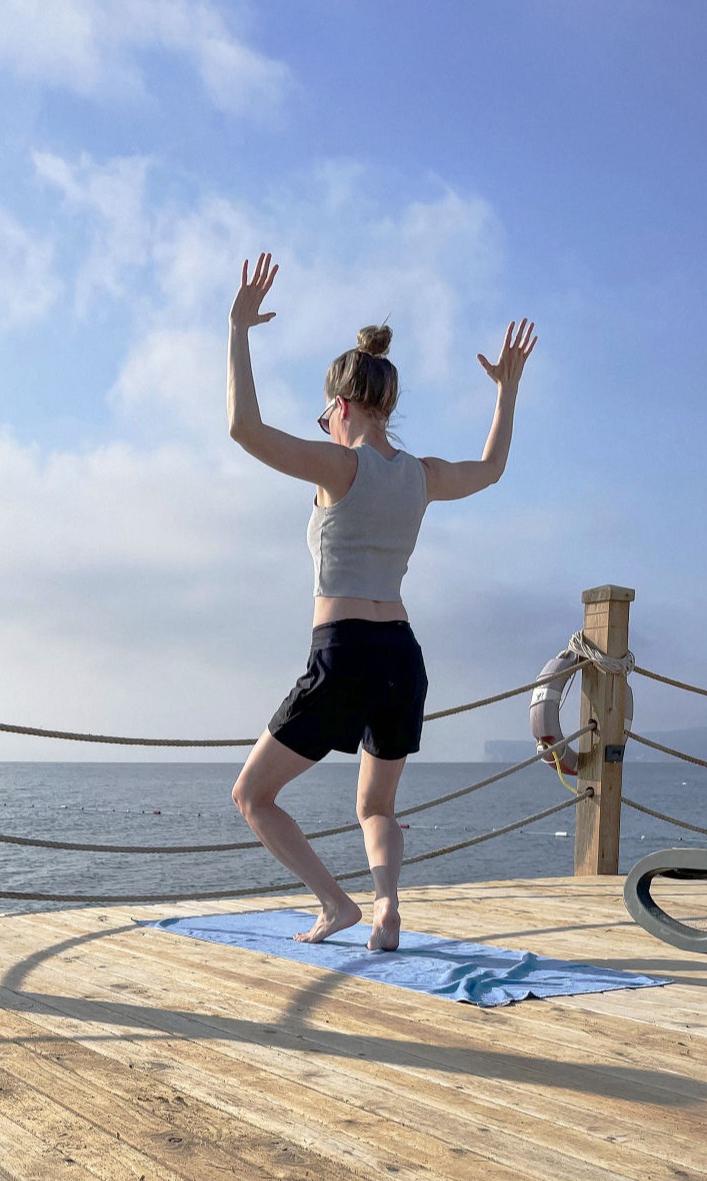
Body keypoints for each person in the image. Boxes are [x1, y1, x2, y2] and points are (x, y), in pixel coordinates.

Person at [227, 252, 536, 950]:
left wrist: (240, 329)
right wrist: (506, 392)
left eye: (323, 413)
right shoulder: (421, 476)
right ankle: (388, 904)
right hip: (403, 655)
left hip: (343, 653)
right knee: (377, 805)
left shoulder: (340, 465)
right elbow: (490, 470)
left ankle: (337, 904)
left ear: (339, 406)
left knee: (252, 795)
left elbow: (245, 429)